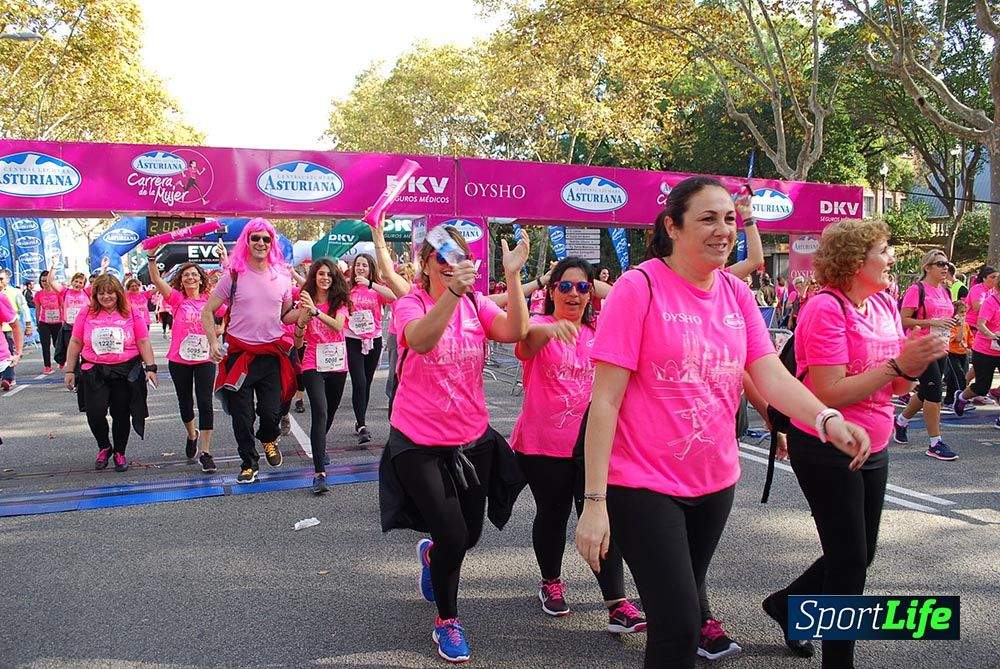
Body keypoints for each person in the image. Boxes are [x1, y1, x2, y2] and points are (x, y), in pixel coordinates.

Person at [574, 176, 869, 669]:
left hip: (715, 483)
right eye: (708, 218)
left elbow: (769, 372)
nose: (724, 230)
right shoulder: (639, 286)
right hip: (642, 484)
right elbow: (604, 401)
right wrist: (594, 502)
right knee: (677, 624)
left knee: (687, 612)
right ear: (672, 226)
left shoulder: (735, 292)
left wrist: (826, 419)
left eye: (729, 218)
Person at [766, 218, 942, 669]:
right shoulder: (825, 308)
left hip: (874, 444)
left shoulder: (883, 303)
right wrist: (897, 365)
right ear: (854, 261)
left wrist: (914, 365)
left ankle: (787, 605)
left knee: (860, 554)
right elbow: (827, 392)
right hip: (825, 444)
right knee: (849, 561)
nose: (892, 257)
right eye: (883, 250)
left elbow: (897, 387)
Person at [380, 226, 530, 664]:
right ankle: (447, 620)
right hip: (417, 440)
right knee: (452, 533)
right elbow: (421, 340)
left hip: (471, 438)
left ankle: (433, 557)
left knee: (470, 535)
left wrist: (513, 276)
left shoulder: (476, 303)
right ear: (425, 264)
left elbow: (516, 330)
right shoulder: (411, 303)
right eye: (440, 258)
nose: (449, 266)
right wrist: (452, 293)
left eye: (457, 258)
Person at [509, 257, 646, 633]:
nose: (573, 294)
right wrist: (552, 327)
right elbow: (526, 346)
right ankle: (550, 582)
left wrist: (590, 285)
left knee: (601, 518)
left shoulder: (601, 329)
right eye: (565, 287)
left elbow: (624, 296)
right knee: (552, 516)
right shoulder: (536, 325)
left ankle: (617, 605)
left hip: (592, 448)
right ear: (551, 291)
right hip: (543, 446)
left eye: (582, 287)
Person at [202, 219, 299, 484]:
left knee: (271, 412)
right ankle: (248, 463)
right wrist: (213, 342)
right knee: (242, 416)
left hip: (270, 355)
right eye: (255, 238)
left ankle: (269, 439)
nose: (261, 243)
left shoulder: (282, 277)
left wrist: (306, 312)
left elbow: (286, 315)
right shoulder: (233, 275)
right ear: (247, 241)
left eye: (266, 239)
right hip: (239, 356)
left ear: (272, 244)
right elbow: (207, 311)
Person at [63, 275, 157, 473]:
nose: (106, 297)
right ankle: (104, 446)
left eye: (110, 292)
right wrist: (70, 370)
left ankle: (120, 452)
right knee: (95, 413)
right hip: (93, 370)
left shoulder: (131, 311)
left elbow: (143, 341)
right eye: (101, 293)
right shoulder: (86, 312)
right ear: (95, 295)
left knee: (121, 413)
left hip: (124, 371)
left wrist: (151, 368)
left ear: (118, 293)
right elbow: (76, 341)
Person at [148, 256, 217, 473]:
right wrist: (151, 259)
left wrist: (221, 330)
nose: (190, 277)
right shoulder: (177, 299)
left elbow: (228, 311)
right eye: (186, 275)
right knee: (185, 402)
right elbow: (156, 279)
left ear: (201, 279)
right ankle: (191, 434)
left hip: (205, 359)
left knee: (205, 402)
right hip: (179, 360)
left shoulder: (210, 299)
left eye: (194, 274)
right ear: (181, 280)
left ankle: (205, 452)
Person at [290, 258, 350, 494]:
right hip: (312, 363)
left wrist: (316, 312)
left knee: (330, 412)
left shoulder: (340, 301)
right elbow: (298, 343)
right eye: (321, 274)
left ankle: (319, 443)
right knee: (320, 411)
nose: (325, 278)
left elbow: (338, 326)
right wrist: (301, 324)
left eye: (329, 275)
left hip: (337, 363)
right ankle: (319, 474)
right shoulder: (304, 302)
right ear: (314, 277)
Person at [894, 249, 959, 461]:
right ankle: (935, 442)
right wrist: (931, 322)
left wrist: (954, 321)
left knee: (926, 390)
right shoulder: (917, 289)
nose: (945, 268)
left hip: (941, 346)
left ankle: (901, 421)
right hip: (921, 346)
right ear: (927, 267)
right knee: (934, 392)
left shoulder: (945, 291)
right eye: (940, 264)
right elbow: (903, 320)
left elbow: (945, 317)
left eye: (947, 264)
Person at [344, 253, 396, 446]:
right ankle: (362, 426)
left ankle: (360, 420)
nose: (360, 268)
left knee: (366, 382)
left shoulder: (376, 289)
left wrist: (370, 284)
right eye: (357, 265)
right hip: (352, 339)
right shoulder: (347, 289)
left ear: (370, 268)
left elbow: (394, 296)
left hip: (374, 339)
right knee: (359, 381)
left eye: (364, 265)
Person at [953, 283, 1000, 428]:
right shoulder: (991, 302)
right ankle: (961, 397)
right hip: (985, 350)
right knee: (982, 387)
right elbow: (981, 324)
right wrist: (992, 335)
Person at [961, 265, 999, 401]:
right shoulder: (980, 290)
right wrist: (992, 335)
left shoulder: (992, 291)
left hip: (996, 344)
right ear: (984, 278)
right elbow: (978, 309)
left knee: (979, 371)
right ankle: (962, 392)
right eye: (992, 277)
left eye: (996, 277)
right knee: (981, 381)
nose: (994, 279)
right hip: (974, 330)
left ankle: (987, 392)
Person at [0, 269, 31, 390]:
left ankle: (8, 378)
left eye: (1, 279)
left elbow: (24, 309)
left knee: (10, 351)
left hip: (8, 329)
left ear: (7, 279)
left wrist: (18, 352)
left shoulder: (13, 293)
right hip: (4, 329)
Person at [944, 302, 973, 405]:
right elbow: (958, 339)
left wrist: (970, 348)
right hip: (952, 353)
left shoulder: (966, 325)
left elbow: (969, 340)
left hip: (963, 353)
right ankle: (961, 399)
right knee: (959, 376)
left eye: (965, 312)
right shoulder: (951, 325)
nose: (964, 314)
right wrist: (960, 326)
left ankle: (949, 399)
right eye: (961, 312)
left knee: (954, 377)